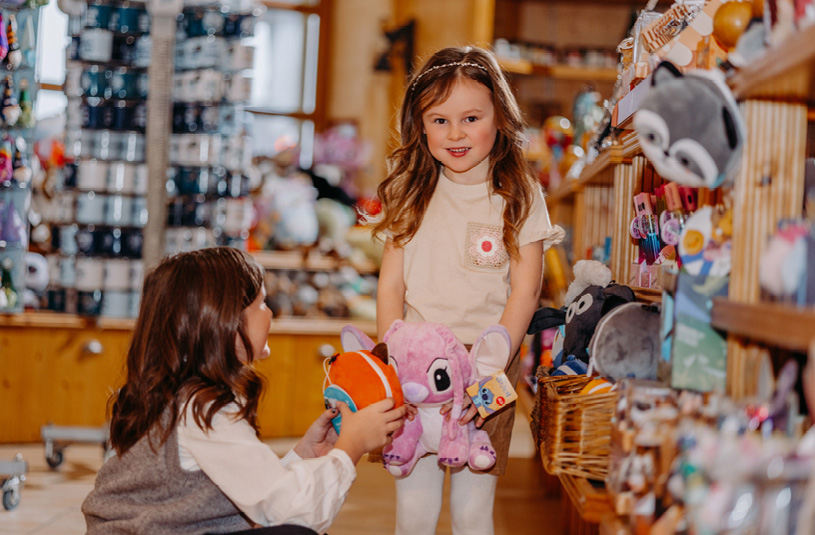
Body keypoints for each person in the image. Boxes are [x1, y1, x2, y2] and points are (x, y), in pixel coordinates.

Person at [372, 45, 565, 535]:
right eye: (438, 121)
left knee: (473, 512)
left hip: (484, 375)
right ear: (419, 126)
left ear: (499, 115)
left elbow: (525, 291)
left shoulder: (519, 193)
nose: (455, 134)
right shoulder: (408, 191)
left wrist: (492, 367)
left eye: (470, 117)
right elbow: (390, 284)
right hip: (414, 375)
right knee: (413, 511)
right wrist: (390, 357)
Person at [82, 247, 406, 535]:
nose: (270, 313)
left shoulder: (181, 395)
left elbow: (249, 488)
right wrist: (350, 447)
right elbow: (295, 512)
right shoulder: (201, 407)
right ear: (224, 321)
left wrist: (307, 454)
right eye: (261, 303)